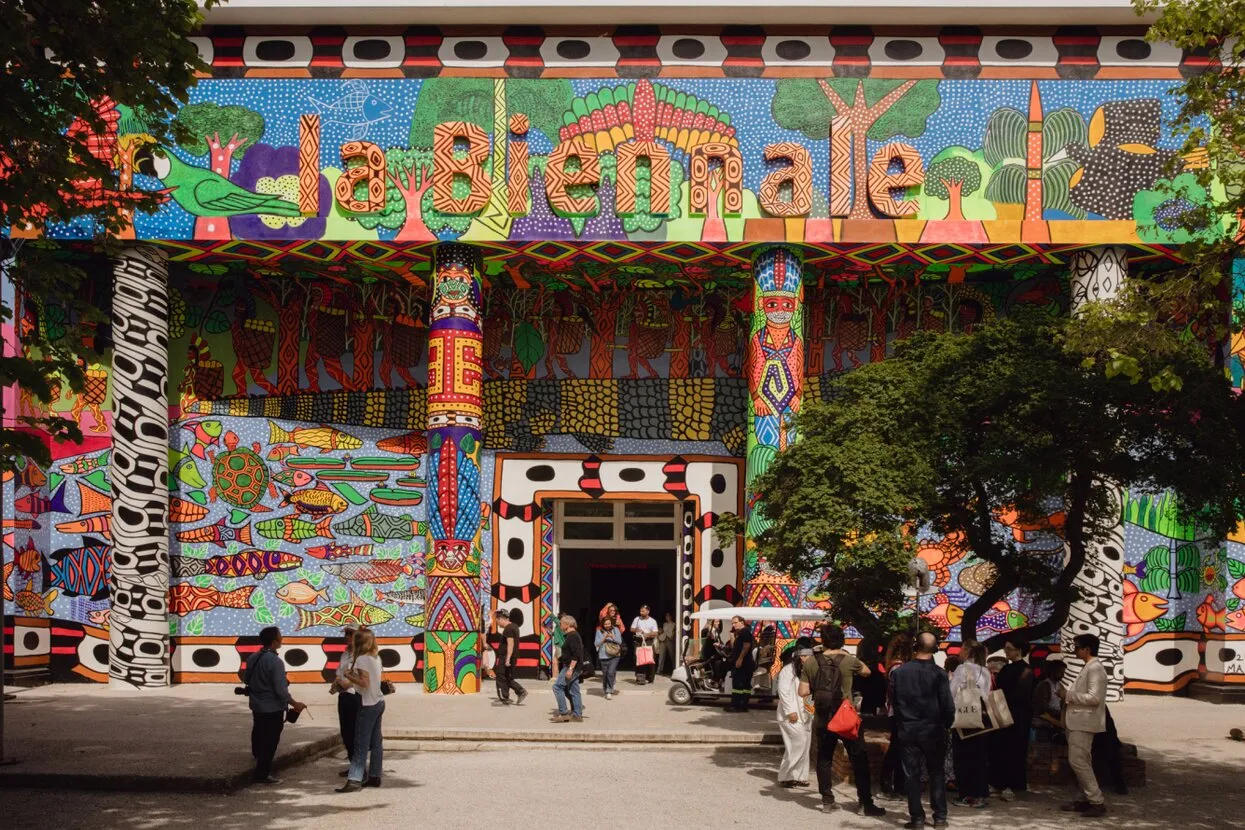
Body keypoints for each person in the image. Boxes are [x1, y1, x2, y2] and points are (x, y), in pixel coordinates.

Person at [798, 624, 886, 817]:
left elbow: (802, 691)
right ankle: (865, 803)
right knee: (859, 757)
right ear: (842, 640)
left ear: (822, 640)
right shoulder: (849, 660)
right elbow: (867, 672)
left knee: (824, 758)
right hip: (845, 715)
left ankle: (827, 801)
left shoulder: (811, 662)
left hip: (822, 716)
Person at [890, 631, 955, 829]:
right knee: (936, 773)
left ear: (915, 646)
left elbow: (894, 702)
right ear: (935, 649)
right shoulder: (939, 674)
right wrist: (946, 723)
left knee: (912, 775)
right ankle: (940, 817)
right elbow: (947, 705)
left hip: (908, 729)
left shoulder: (899, 673)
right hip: (933, 729)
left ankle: (917, 818)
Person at [245, 626, 306, 785]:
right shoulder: (275, 662)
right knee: (270, 740)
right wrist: (295, 703)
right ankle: (262, 774)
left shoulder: (253, 657)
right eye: (280, 637)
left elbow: (246, 678)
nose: (282, 639)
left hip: (256, 703)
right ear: (274, 642)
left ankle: (256, 755)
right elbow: (281, 690)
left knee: (258, 729)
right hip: (272, 707)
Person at [1058, 634, 1108, 817]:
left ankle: (1096, 800)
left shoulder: (1095, 669)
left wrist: (1068, 695)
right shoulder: (1088, 668)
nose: (1075, 650)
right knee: (1082, 762)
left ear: (1087, 649)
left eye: (1077, 647)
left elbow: (1094, 698)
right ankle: (1085, 799)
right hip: (1077, 721)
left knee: (1078, 761)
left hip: (1084, 722)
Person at [337, 628, 385, 792]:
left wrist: (348, 676)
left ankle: (354, 779)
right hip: (378, 701)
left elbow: (364, 683)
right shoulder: (375, 657)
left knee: (360, 742)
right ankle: (374, 776)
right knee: (376, 742)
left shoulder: (362, 659)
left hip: (367, 703)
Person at [990, 639, 1035, 801]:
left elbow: (1021, 695)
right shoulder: (1008, 668)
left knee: (1015, 751)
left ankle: (1013, 785)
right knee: (1000, 749)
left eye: (1009, 649)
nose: (1006, 651)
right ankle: (999, 783)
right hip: (1004, 713)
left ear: (1019, 650)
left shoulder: (1026, 670)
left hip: (1018, 716)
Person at [950, 640, 991, 809]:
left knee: (962, 758)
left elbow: (951, 692)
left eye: (961, 649)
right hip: (980, 718)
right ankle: (980, 793)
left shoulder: (962, 669)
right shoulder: (985, 670)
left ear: (967, 651)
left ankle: (967, 794)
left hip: (965, 717)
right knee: (979, 757)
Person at [775, 637, 814, 788]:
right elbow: (783, 692)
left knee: (805, 745)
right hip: (791, 715)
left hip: (806, 713)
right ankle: (786, 774)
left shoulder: (809, 670)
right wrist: (790, 711)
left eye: (808, 655)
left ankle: (800, 776)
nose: (806, 658)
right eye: (803, 656)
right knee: (799, 742)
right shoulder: (788, 670)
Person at [880, 632, 914, 800]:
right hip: (900, 713)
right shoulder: (899, 668)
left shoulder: (894, 666)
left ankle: (897, 785)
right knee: (896, 749)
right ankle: (889, 785)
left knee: (899, 749)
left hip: (897, 712)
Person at [331, 623, 360, 776]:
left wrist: (343, 682)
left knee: (355, 733)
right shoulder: (345, 654)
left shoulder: (360, 656)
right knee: (346, 733)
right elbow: (339, 672)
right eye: (346, 634)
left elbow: (354, 680)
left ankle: (359, 768)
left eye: (350, 634)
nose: (347, 637)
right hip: (344, 695)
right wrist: (338, 682)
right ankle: (353, 764)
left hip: (354, 696)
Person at [551, 614, 585, 723]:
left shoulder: (573, 636)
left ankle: (564, 713)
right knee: (574, 690)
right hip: (572, 666)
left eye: (561, 623)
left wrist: (570, 669)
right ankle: (577, 715)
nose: (560, 625)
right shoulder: (571, 635)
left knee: (557, 687)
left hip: (571, 667)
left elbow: (576, 654)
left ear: (567, 624)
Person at [493, 609, 529, 705]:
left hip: (506, 657)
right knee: (507, 677)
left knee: (500, 677)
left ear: (500, 619)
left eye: (496, 620)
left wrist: (507, 658)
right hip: (512, 657)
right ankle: (520, 691)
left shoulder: (508, 628)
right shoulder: (514, 626)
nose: (496, 623)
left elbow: (510, 644)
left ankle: (504, 698)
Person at [725, 615, 756, 713]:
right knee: (745, 686)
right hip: (745, 663)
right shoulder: (740, 633)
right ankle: (743, 706)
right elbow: (734, 646)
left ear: (742, 622)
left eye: (735, 622)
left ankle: (735, 706)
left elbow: (746, 646)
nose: (734, 625)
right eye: (732, 623)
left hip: (743, 663)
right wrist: (732, 636)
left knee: (738, 685)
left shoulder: (745, 632)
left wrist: (740, 659)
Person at [595, 615, 624, 700]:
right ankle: (605, 689)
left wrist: (612, 637)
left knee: (611, 672)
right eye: (605, 624)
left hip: (614, 655)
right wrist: (604, 638)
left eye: (609, 623)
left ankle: (608, 691)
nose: (607, 625)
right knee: (605, 674)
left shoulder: (616, 630)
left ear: (611, 623)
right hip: (603, 655)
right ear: (603, 624)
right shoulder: (599, 631)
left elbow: (619, 641)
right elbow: (596, 644)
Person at [631, 604, 659, 684]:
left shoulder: (652, 621)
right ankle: (640, 677)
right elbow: (632, 629)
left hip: (648, 641)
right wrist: (638, 630)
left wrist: (647, 634)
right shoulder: (637, 619)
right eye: (640, 610)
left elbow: (655, 633)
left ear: (648, 611)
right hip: (638, 641)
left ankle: (650, 678)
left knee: (649, 659)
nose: (641, 612)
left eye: (643, 611)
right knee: (639, 659)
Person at [656, 611, 677, 676]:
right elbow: (662, 631)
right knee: (661, 656)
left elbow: (674, 632)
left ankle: (675, 669)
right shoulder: (664, 624)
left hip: (670, 640)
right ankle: (659, 670)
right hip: (663, 640)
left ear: (671, 616)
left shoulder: (674, 624)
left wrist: (672, 638)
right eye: (666, 616)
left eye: (668, 616)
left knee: (672, 655)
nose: (667, 617)